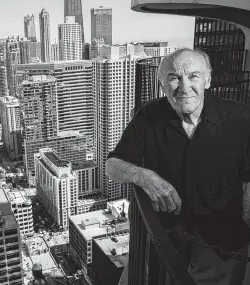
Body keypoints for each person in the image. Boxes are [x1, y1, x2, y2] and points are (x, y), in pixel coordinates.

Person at [105, 48, 250, 285]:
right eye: (174, 78)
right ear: (162, 84)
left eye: (193, 76)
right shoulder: (148, 116)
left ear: (208, 80)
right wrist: (144, 176)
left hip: (221, 243)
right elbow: (111, 165)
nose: (184, 87)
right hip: (163, 237)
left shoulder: (241, 119)